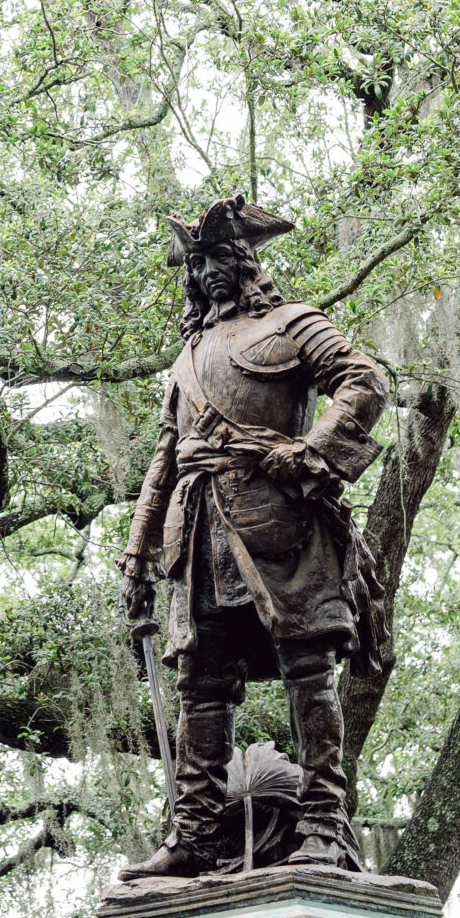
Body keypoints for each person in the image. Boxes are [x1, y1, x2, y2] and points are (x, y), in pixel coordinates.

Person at [118, 193, 391, 876]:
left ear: (246, 263)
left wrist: (309, 454)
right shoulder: (187, 356)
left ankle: (324, 823)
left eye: (222, 257)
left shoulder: (295, 325)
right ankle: (194, 835)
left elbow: (363, 380)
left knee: (307, 670)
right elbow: (162, 455)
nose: (210, 271)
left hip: (281, 526)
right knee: (200, 685)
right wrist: (136, 554)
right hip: (198, 530)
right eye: (198, 261)